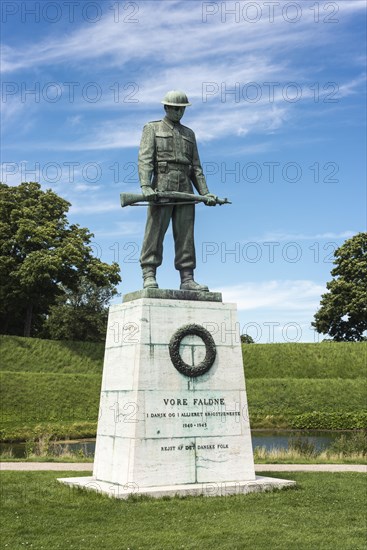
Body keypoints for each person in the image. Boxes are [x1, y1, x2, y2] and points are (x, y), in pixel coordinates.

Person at [138, 90, 217, 291]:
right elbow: (145, 159)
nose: (178, 112)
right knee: (155, 232)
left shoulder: (189, 133)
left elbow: (196, 167)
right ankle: (149, 274)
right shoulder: (152, 128)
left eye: (181, 109)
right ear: (166, 107)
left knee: (186, 234)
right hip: (162, 184)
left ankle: (187, 278)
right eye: (175, 108)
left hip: (185, 186)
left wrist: (205, 192)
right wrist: (146, 185)